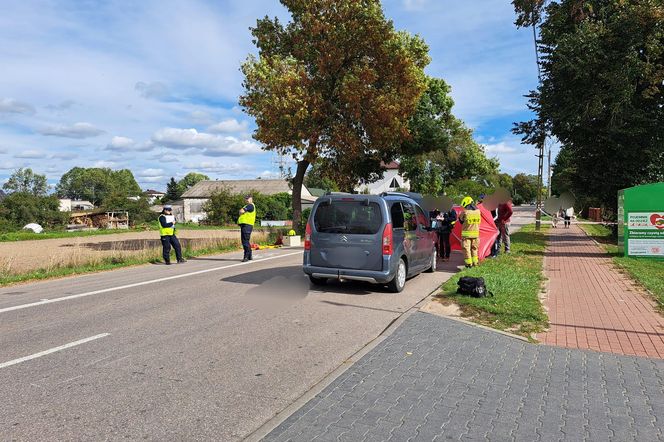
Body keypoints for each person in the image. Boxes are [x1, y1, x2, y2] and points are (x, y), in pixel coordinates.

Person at [458, 196, 481, 268]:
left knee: (466, 249)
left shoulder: (465, 212)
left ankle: (469, 264)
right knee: (474, 248)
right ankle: (475, 263)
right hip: (476, 234)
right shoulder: (478, 211)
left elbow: (461, 221)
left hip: (466, 235)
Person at [238, 195, 256, 262]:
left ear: (251, 199)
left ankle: (246, 256)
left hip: (247, 225)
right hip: (246, 225)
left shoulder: (250, 205)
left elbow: (241, 211)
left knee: (245, 241)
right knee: (246, 241)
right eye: (246, 199)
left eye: (248, 199)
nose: (246, 200)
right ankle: (250, 255)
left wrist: (241, 211)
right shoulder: (247, 206)